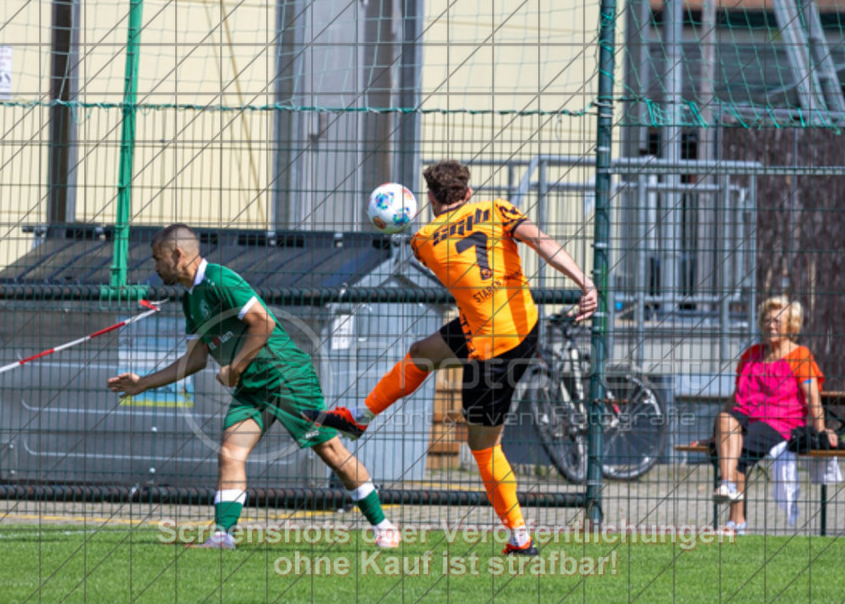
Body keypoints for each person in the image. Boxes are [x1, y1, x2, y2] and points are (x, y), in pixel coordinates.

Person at [302, 160, 598, 556]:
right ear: (468, 193)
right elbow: (542, 242)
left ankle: (520, 537)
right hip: (519, 323)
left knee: (484, 447)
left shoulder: (423, 240)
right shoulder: (497, 210)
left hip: (494, 348)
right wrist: (585, 283)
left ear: (428, 198)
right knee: (423, 352)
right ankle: (361, 415)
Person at [107, 224, 399, 550]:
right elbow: (194, 360)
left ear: (178, 255)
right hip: (252, 387)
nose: (155, 267)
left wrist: (236, 366)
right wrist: (142, 383)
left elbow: (264, 321)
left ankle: (384, 526)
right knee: (231, 452)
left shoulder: (220, 280)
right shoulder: (192, 299)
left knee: (329, 450)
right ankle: (222, 537)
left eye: (158, 259)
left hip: (285, 376)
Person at [710, 295, 838, 535]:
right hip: (748, 415)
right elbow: (736, 397)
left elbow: (813, 399)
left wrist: (821, 430)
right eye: (767, 320)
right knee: (725, 419)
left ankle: (736, 522)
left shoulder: (800, 356)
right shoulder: (750, 355)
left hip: (780, 421)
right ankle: (727, 484)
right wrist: (716, 433)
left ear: (791, 326)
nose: (771, 325)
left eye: (778, 321)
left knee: (741, 449)